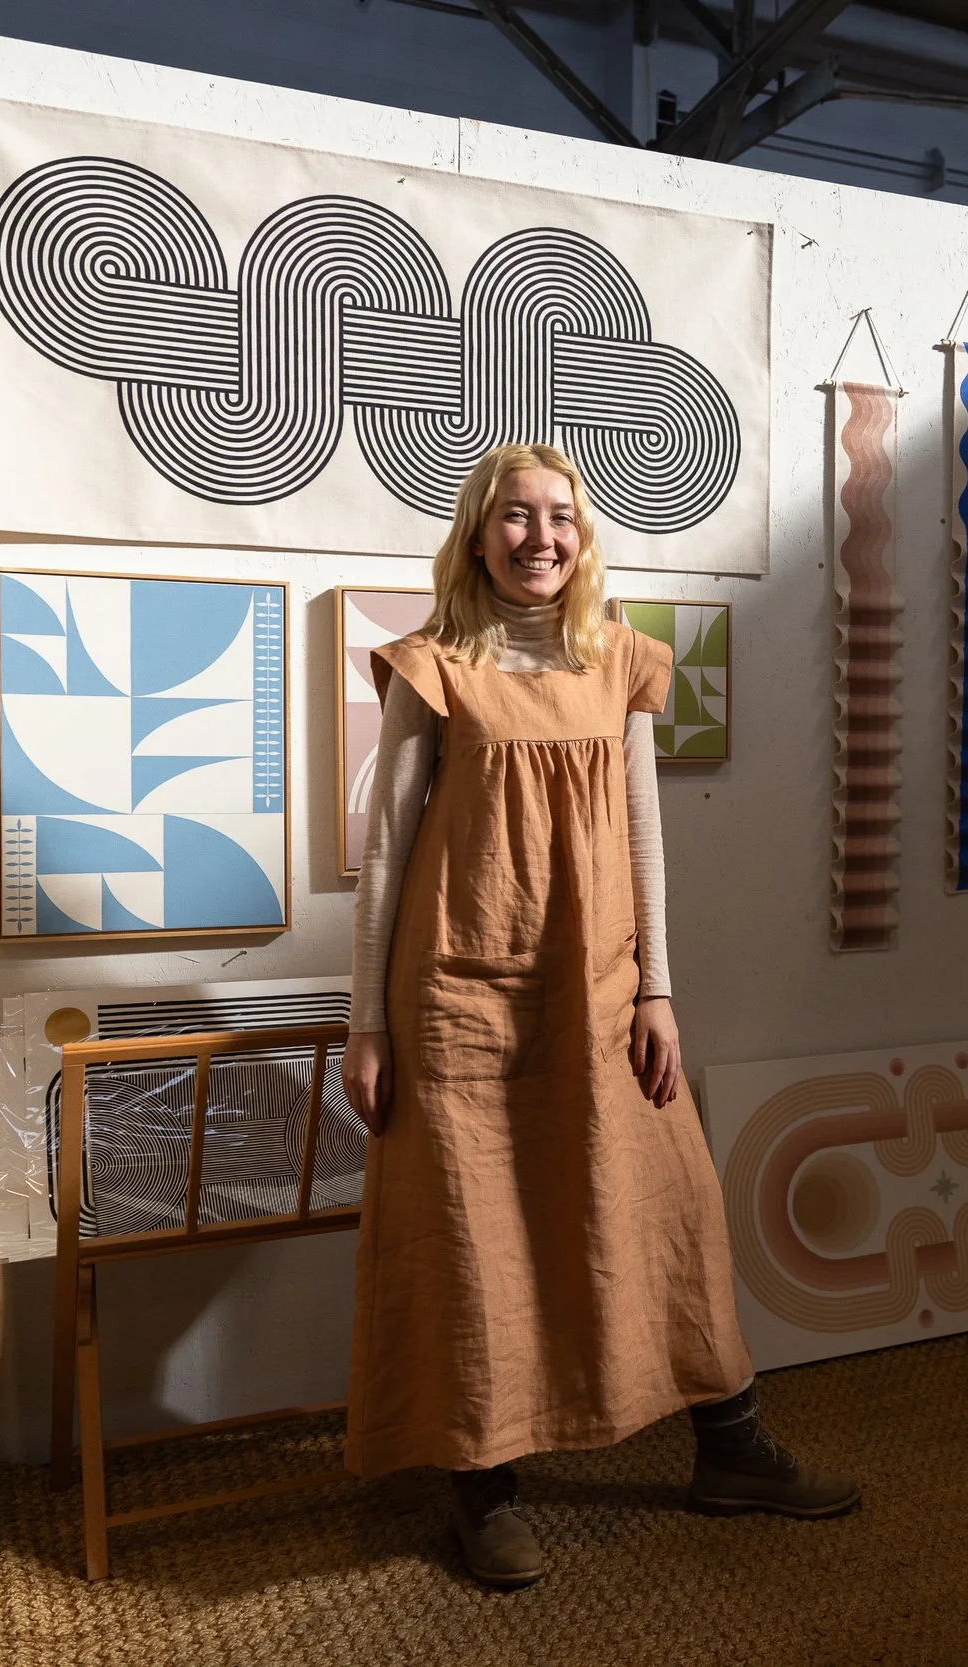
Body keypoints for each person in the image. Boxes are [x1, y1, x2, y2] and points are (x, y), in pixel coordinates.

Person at [341, 442, 858, 1589]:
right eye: (514, 517)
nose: (540, 537)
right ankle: (481, 1486)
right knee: (473, 1235)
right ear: (477, 535)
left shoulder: (618, 658)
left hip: (601, 990)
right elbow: (382, 854)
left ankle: (731, 1448)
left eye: (560, 517)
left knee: (670, 1203)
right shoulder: (433, 667)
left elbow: (640, 833)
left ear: (584, 535)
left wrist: (661, 986)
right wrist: (362, 1022)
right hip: (456, 998)